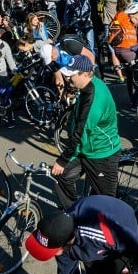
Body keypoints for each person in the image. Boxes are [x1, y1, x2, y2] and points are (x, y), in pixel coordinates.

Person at [51, 55, 122, 208]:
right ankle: (75, 213)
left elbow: (80, 132)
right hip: (85, 148)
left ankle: (114, 228)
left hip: (101, 153)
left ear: (84, 74)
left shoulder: (96, 99)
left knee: (108, 205)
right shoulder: (85, 87)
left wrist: (62, 160)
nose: (69, 79)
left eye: (72, 75)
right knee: (60, 177)